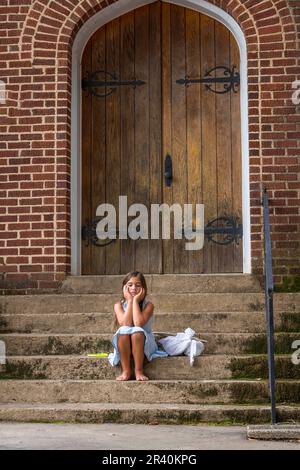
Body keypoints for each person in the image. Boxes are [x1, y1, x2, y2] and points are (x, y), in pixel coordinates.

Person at [108, 271, 168, 381]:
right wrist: (130, 301)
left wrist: (135, 300)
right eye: (130, 285)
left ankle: (138, 370)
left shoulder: (149, 305)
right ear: (124, 288)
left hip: (144, 344)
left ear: (143, 288)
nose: (134, 288)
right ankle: (126, 371)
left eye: (138, 285)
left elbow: (138, 323)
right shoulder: (118, 306)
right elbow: (126, 323)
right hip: (125, 345)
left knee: (137, 332)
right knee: (123, 331)